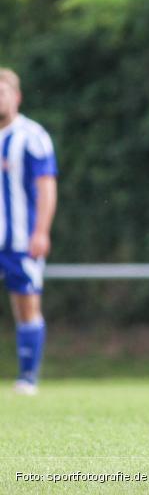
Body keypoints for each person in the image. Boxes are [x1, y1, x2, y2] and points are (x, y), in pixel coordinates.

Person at [0, 68, 58, 396]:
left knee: (26, 304)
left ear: (17, 97)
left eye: (2, 93)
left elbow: (46, 185)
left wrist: (41, 231)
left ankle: (27, 378)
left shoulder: (32, 136)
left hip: (20, 239)